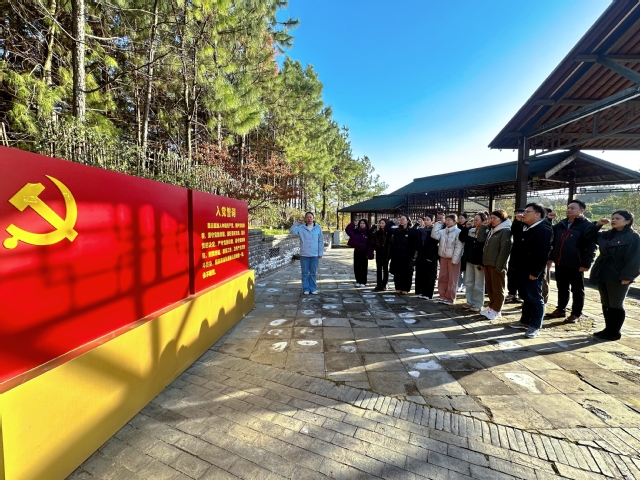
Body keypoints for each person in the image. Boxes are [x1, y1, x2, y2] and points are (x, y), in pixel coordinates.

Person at [590, 211, 640, 340]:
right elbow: (588, 237)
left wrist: (628, 276)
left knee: (616, 303)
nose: (614, 220)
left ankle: (615, 332)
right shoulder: (607, 234)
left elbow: (635, 258)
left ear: (628, 221)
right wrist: (598, 225)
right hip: (603, 271)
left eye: (618, 218)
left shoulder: (633, 236)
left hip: (618, 273)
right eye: (613, 218)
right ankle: (608, 329)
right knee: (606, 302)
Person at [547, 200, 598, 323]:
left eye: (572, 208)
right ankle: (561, 309)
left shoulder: (587, 226)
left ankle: (576, 313)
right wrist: (551, 257)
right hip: (560, 261)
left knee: (577, 290)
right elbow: (552, 240)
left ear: (581, 210)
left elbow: (591, 246)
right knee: (562, 287)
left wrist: (586, 263)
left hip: (576, 263)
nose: (569, 210)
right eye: (568, 208)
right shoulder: (562, 224)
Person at [509, 203, 554, 338]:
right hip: (520, 268)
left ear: (537, 214)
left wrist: (535, 272)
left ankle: (535, 325)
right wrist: (517, 222)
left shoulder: (543, 229)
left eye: (527, 212)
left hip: (532, 270)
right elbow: (516, 236)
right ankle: (525, 321)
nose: (523, 214)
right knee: (526, 297)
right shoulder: (526, 227)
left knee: (535, 298)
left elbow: (542, 253)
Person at [480, 210, 512, 320]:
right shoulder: (493, 230)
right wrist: (483, 227)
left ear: (502, 219)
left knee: (498, 289)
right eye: (491, 218)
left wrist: (500, 266)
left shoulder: (505, 231)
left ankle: (497, 310)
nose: (492, 220)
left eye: (494, 218)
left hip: (497, 265)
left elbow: (504, 250)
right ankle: (491, 307)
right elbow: (480, 239)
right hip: (488, 263)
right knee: (490, 288)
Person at [431, 214, 464, 304]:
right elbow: (434, 235)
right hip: (443, 257)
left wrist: (455, 259)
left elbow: (459, 246)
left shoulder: (458, 231)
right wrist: (438, 224)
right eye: (447, 220)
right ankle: (442, 296)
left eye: (449, 220)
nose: (447, 222)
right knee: (443, 277)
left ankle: (450, 298)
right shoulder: (443, 231)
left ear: (455, 221)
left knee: (452, 279)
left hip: (453, 258)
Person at [459, 212, 488, 312]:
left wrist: (483, 262)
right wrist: (465, 228)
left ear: (483, 221)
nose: (475, 222)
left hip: (479, 261)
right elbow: (461, 238)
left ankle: (478, 304)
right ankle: (469, 301)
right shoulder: (471, 230)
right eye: (474, 220)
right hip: (469, 259)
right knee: (469, 282)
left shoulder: (486, 232)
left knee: (479, 283)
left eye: (477, 220)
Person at [290, 212, 324, 295]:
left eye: (310, 217)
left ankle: (313, 288)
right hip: (304, 254)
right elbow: (292, 231)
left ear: (313, 218)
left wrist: (320, 252)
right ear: (305, 219)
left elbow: (320, 240)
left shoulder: (318, 228)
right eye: (307, 217)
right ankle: (306, 288)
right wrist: (297, 223)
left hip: (315, 254)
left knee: (313, 273)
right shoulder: (301, 227)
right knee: (305, 273)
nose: (309, 219)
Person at [386, 215, 416, 294]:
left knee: (407, 273)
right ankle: (398, 287)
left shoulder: (411, 231)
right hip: (397, 255)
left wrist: (413, 256)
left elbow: (414, 244)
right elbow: (387, 229)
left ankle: (405, 288)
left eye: (403, 219)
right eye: (400, 219)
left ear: (408, 220)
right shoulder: (397, 230)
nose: (401, 221)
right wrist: (392, 221)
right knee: (397, 272)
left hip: (407, 256)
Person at [414, 214, 439, 299]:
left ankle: (428, 293)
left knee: (430, 275)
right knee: (421, 273)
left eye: (428, 220)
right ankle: (421, 291)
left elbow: (434, 245)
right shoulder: (420, 230)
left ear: (432, 221)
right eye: (425, 220)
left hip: (430, 255)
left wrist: (430, 256)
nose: (425, 221)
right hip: (421, 254)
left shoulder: (434, 231)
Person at [505, 208, 525, 304]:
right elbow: (513, 232)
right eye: (516, 213)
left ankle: (521, 295)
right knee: (511, 273)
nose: (518, 215)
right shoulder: (516, 223)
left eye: (520, 213)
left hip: (524, 254)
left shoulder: (529, 225)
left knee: (521, 275)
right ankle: (512, 293)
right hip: (515, 252)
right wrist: (516, 221)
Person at [345, 219, 372, 287]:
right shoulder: (356, 231)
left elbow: (370, 244)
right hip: (357, 251)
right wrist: (353, 224)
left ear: (366, 224)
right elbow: (348, 230)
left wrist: (369, 253)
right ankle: (358, 280)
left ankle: (363, 281)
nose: (362, 224)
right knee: (357, 267)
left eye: (363, 223)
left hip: (364, 252)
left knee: (363, 267)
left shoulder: (368, 233)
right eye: (361, 223)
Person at [371, 219, 392, 291]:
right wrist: (374, 226)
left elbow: (391, 243)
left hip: (386, 253)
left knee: (385, 269)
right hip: (379, 252)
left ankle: (384, 284)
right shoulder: (377, 233)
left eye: (383, 223)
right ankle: (378, 284)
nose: (381, 224)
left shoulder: (389, 233)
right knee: (379, 269)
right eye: (380, 223)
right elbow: (370, 234)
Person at [457, 213, 469, 292]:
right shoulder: (456, 227)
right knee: (459, 269)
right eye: (459, 218)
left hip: (466, 249)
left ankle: (465, 285)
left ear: (466, 219)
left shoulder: (469, 227)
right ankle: (459, 284)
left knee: (465, 269)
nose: (460, 220)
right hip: (458, 250)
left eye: (462, 218)